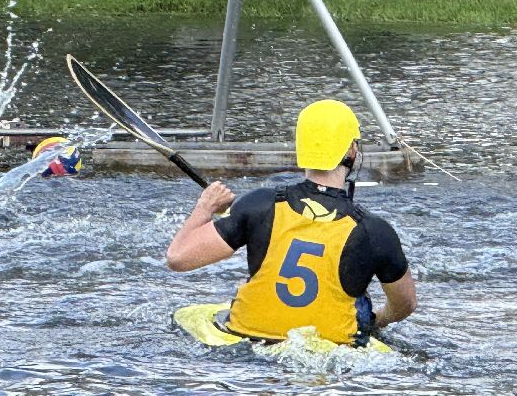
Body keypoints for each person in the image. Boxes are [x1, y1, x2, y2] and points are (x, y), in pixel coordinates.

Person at [165, 99, 416, 348]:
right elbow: (405, 304)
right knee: (360, 304)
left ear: (301, 149)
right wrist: (376, 320)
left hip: (247, 337)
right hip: (329, 351)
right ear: (352, 151)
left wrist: (205, 207)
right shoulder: (374, 231)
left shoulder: (259, 205)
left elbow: (178, 257)